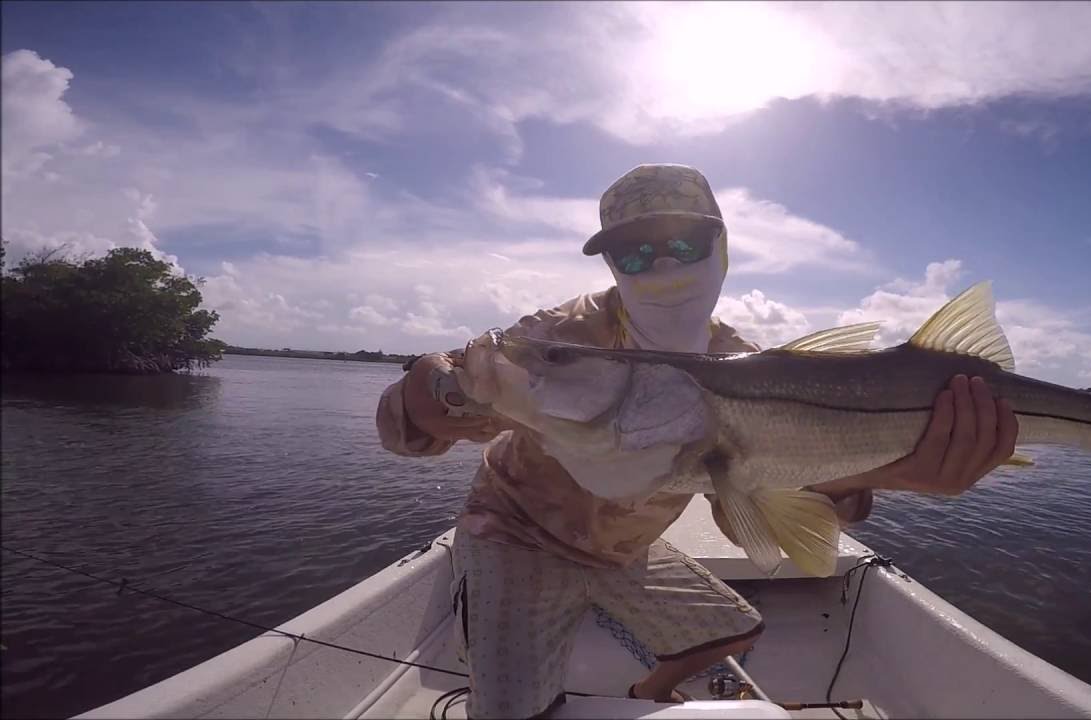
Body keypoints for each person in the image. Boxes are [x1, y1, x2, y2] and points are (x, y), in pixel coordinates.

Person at [376, 164, 1018, 719]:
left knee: (739, 631)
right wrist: (428, 391)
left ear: (721, 246)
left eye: (683, 242)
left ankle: (647, 689)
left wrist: (890, 475)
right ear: (608, 264)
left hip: (623, 551)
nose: (659, 264)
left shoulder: (741, 364)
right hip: (513, 534)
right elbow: (410, 432)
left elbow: (745, 521)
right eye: (632, 252)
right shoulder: (561, 340)